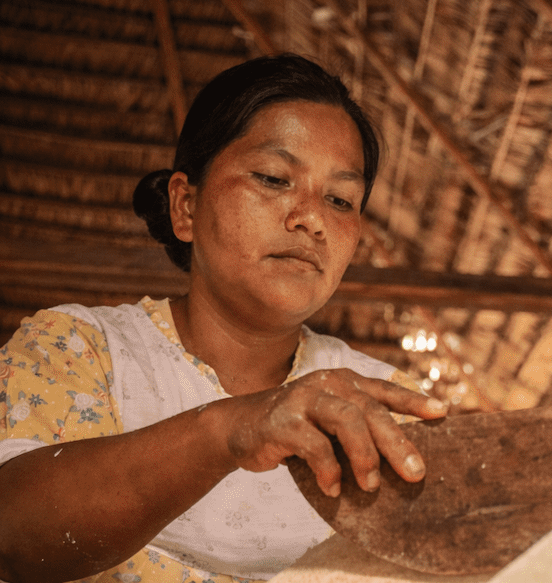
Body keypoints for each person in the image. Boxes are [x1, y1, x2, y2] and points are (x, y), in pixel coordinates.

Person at [0, 54, 447, 583]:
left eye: (340, 199)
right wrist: (230, 430)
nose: (312, 218)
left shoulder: (385, 404)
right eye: (274, 178)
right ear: (186, 206)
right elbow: (12, 536)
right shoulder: (77, 348)